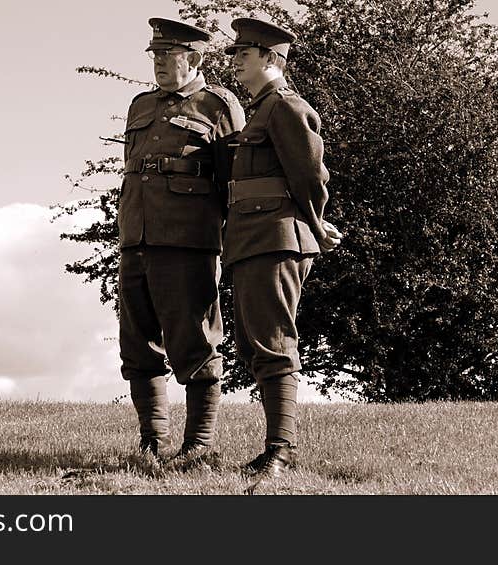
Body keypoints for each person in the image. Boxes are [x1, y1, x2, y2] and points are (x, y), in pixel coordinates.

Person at [118, 18, 245, 465]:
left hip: (189, 241)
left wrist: (233, 244)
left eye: (167, 56)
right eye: (154, 56)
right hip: (136, 237)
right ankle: (151, 441)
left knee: (194, 340)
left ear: (194, 58)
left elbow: (235, 181)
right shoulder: (140, 105)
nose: (158, 64)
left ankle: (199, 445)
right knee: (136, 344)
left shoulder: (218, 106)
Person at [222, 18, 340, 488]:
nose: (234, 62)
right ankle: (275, 447)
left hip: (277, 236)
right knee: (259, 343)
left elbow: (311, 177)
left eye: (243, 55)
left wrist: (315, 222)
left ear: (272, 59)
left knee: (274, 342)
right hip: (254, 239)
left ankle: (281, 451)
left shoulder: (287, 108)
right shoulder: (259, 111)